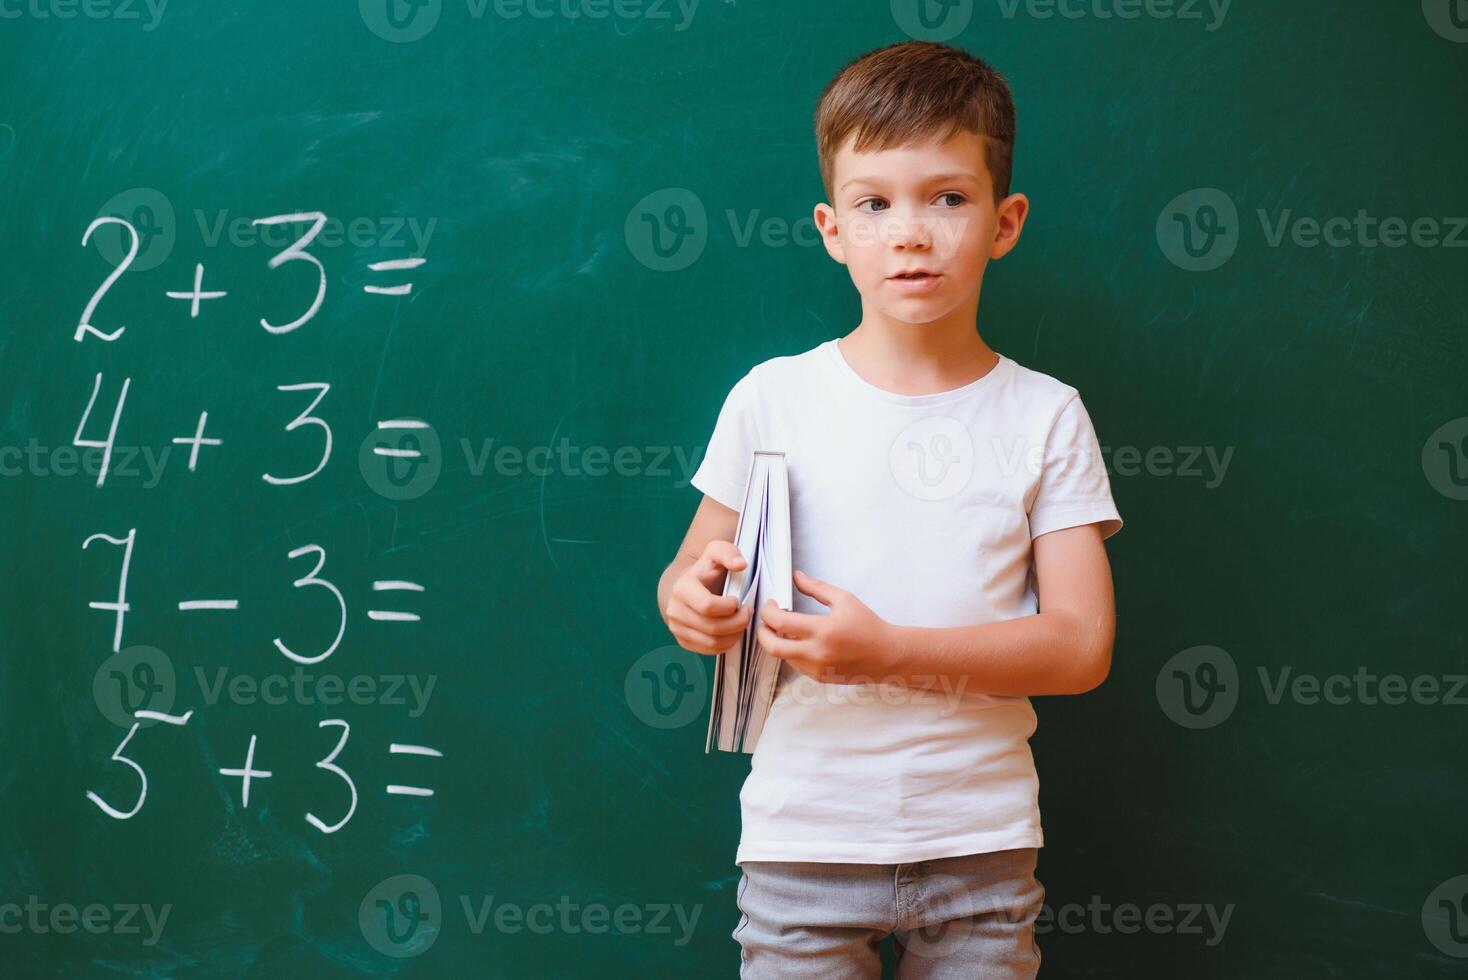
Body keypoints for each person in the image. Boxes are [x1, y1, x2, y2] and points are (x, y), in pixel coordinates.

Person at [656, 39, 1123, 978]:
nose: (910, 232)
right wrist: (690, 601)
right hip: (801, 840)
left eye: (948, 198)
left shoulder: (1044, 414)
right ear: (832, 228)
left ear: (1005, 220)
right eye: (874, 204)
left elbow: (1081, 647)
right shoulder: (771, 399)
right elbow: (691, 575)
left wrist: (891, 653)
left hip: (981, 843)